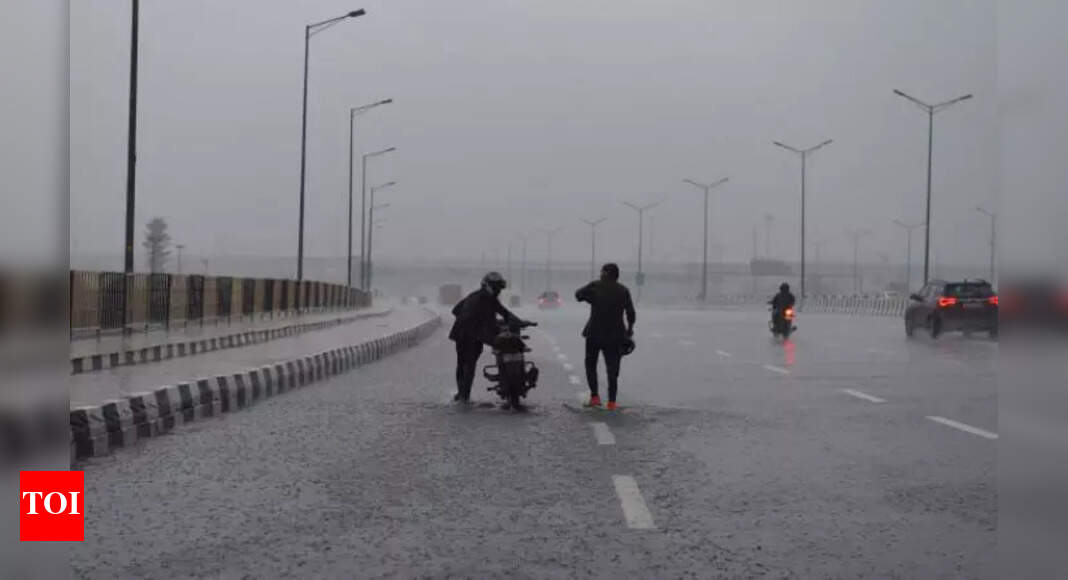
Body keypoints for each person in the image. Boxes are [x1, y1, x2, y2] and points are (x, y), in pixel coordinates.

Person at [448, 272, 525, 403]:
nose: (498, 291)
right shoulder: (482, 298)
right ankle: (463, 396)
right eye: (496, 287)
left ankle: (462, 394)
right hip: (467, 335)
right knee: (468, 365)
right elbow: (502, 314)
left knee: (464, 364)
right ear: (488, 286)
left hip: (470, 334)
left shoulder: (482, 297)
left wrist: (520, 322)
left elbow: (455, 310)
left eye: (499, 288)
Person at [575, 263, 636, 411]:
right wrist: (629, 330)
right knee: (612, 369)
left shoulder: (596, 286)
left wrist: (590, 297)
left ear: (604, 274)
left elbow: (578, 295)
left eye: (602, 272)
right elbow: (631, 313)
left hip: (594, 333)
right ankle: (612, 403)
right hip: (615, 335)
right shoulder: (623, 291)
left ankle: (595, 398)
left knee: (590, 365)